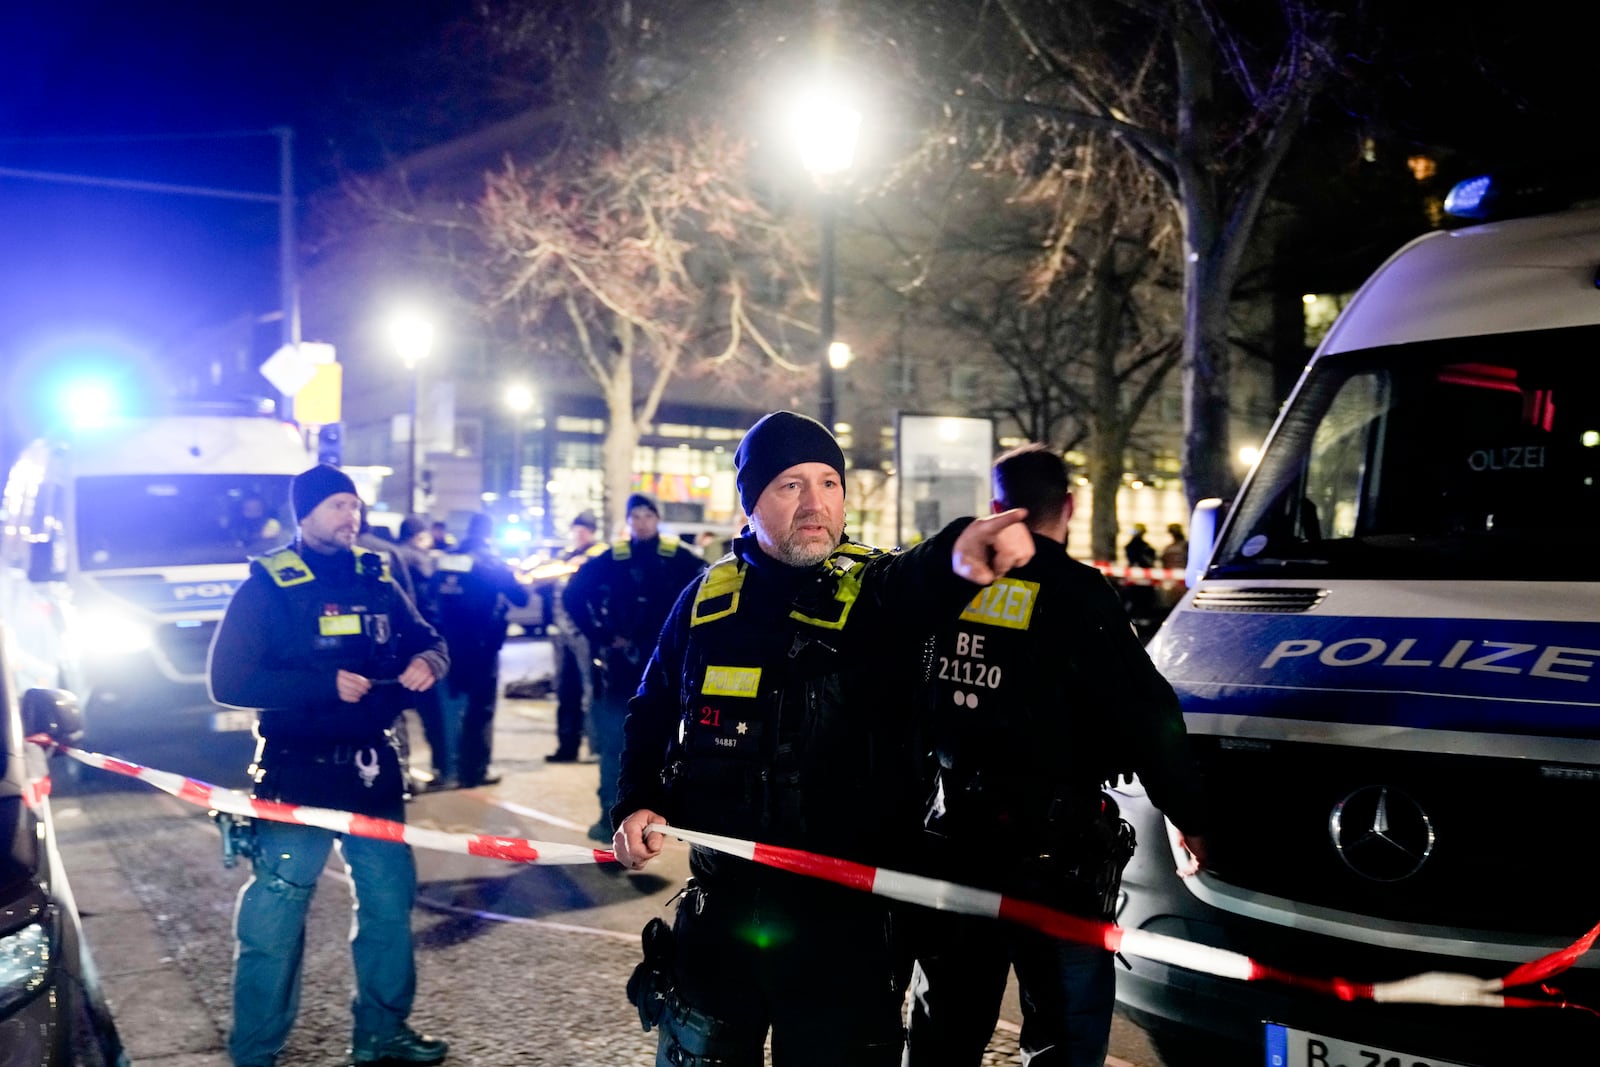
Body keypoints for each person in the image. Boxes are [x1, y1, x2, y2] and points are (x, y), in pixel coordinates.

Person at [611, 410, 1036, 1067]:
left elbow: (923, 575)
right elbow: (652, 704)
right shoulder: (704, 601)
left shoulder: (876, 592)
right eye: (789, 484)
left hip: (844, 921)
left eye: (829, 482)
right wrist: (636, 801)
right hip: (723, 908)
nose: (816, 503)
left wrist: (963, 550)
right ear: (750, 503)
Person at [902, 445, 1210, 1067]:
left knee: (944, 1028)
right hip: (1058, 855)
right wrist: (1192, 819)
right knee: (1065, 1039)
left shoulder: (948, 589)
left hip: (958, 838)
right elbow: (1148, 714)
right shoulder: (1077, 593)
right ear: (1068, 506)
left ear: (995, 509)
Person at [206, 463, 450, 1067]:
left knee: (390, 911)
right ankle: (256, 1051)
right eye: (339, 505)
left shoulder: (377, 575)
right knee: (274, 920)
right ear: (306, 514)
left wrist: (429, 663)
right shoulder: (268, 584)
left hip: (372, 774)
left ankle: (381, 1034)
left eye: (355, 506)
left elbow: (430, 640)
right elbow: (228, 679)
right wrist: (321, 685)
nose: (352, 517)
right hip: (298, 774)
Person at [563, 492, 706, 841]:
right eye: (635, 516)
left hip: (669, 674)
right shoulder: (613, 558)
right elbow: (573, 595)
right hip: (623, 671)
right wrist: (601, 634)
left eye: (647, 515)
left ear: (657, 519)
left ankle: (662, 820)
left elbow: (709, 593)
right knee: (617, 745)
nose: (641, 522)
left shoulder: (679, 559)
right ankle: (610, 818)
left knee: (672, 749)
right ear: (627, 522)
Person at [426, 511, 530, 789]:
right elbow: (521, 598)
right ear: (488, 533)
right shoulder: (492, 562)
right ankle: (474, 771)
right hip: (483, 644)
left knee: (449, 708)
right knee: (480, 708)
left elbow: (432, 592)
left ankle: (446, 767)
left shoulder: (449, 557)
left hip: (450, 642)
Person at [546, 510, 602, 763]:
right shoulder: (566, 555)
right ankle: (566, 746)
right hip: (562, 631)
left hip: (585, 632)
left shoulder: (598, 554)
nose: (579, 534)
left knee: (591, 689)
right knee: (566, 690)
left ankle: (595, 747)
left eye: (583, 530)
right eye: (576, 529)